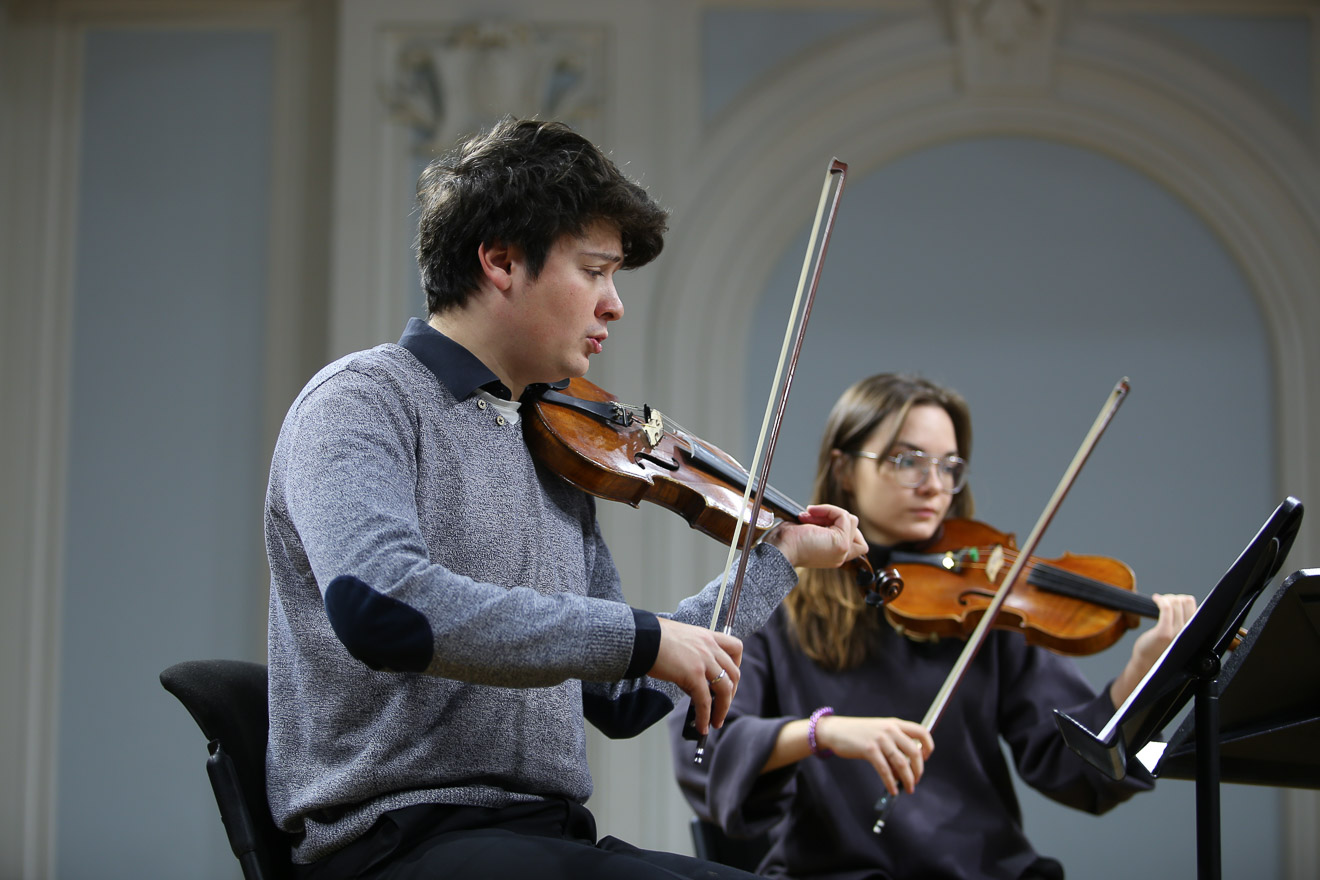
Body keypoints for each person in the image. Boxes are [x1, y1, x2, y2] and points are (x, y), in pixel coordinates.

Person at [263, 116, 868, 880]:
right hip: (397, 840)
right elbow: (384, 605)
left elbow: (619, 692)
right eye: (594, 271)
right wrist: (644, 636)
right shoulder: (364, 402)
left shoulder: (551, 440)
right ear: (502, 260)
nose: (614, 304)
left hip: (543, 838)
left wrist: (778, 559)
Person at [669, 373, 1196, 880]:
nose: (934, 486)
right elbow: (705, 753)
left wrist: (1139, 677)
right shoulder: (774, 599)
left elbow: (1076, 768)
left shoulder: (984, 603)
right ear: (844, 468)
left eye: (949, 467)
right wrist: (823, 732)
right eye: (907, 461)